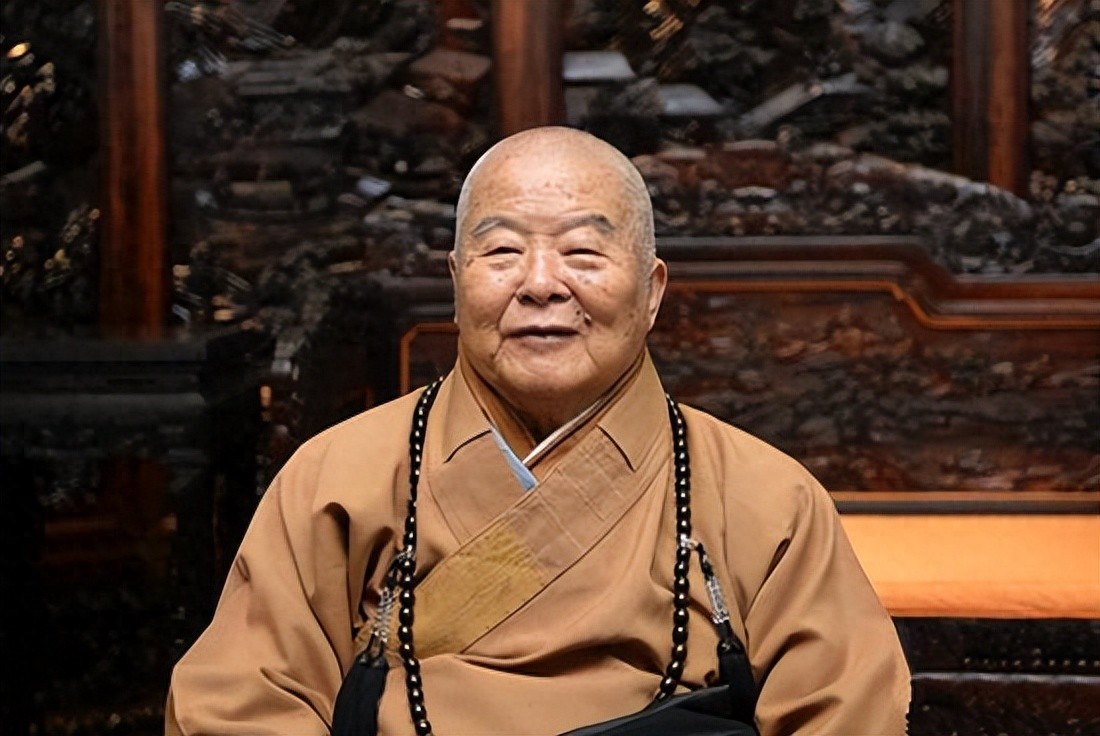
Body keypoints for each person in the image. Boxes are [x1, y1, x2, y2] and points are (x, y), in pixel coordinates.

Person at [166, 126, 911, 735]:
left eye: (583, 252)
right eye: (501, 252)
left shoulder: (766, 499)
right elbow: (239, 708)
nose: (542, 283)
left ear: (652, 291)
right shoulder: (339, 478)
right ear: (456, 282)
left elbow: (847, 715)